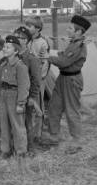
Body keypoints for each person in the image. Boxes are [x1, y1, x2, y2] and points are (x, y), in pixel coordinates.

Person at [43, 15, 91, 153]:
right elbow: (64, 54)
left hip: (72, 80)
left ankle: (77, 142)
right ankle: (54, 136)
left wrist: (49, 58)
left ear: (79, 32)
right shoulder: (73, 43)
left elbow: (64, 62)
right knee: (54, 107)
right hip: (62, 78)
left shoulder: (79, 46)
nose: (67, 29)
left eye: (70, 28)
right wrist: (58, 54)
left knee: (71, 111)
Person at [0, 35, 30, 161]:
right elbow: (0, 83)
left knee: (17, 125)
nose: (4, 49)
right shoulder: (3, 65)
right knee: (4, 124)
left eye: (8, 47)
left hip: (14, 97)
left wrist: (21, 103)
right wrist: (0, 97)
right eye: (4, 46)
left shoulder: (20, 66)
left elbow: (24, 86)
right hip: (4, 96)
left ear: (16, 51)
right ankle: (5, 149)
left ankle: (21, 151)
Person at [14, 26, 43, 155]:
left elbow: (36, 80)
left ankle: (30, 148)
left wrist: (32, 97)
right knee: (17, 122)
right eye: (16, 37)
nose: (17, 40)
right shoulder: (12, 56)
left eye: (20, 38)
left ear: (26, 41)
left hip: (27, 95)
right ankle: (18, 146)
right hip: (14, 94)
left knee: (27, 122)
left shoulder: (31, 58)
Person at [25, 15, 50, 140]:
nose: (27, 28)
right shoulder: (27, 41)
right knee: (29, 105)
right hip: (27, 79)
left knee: (38, 105)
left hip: (38, 80)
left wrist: (39, 78)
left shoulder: (42, 43)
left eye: (29, 26)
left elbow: (45, 62)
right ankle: (30, 130)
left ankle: (38, 133)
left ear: (38, 28)